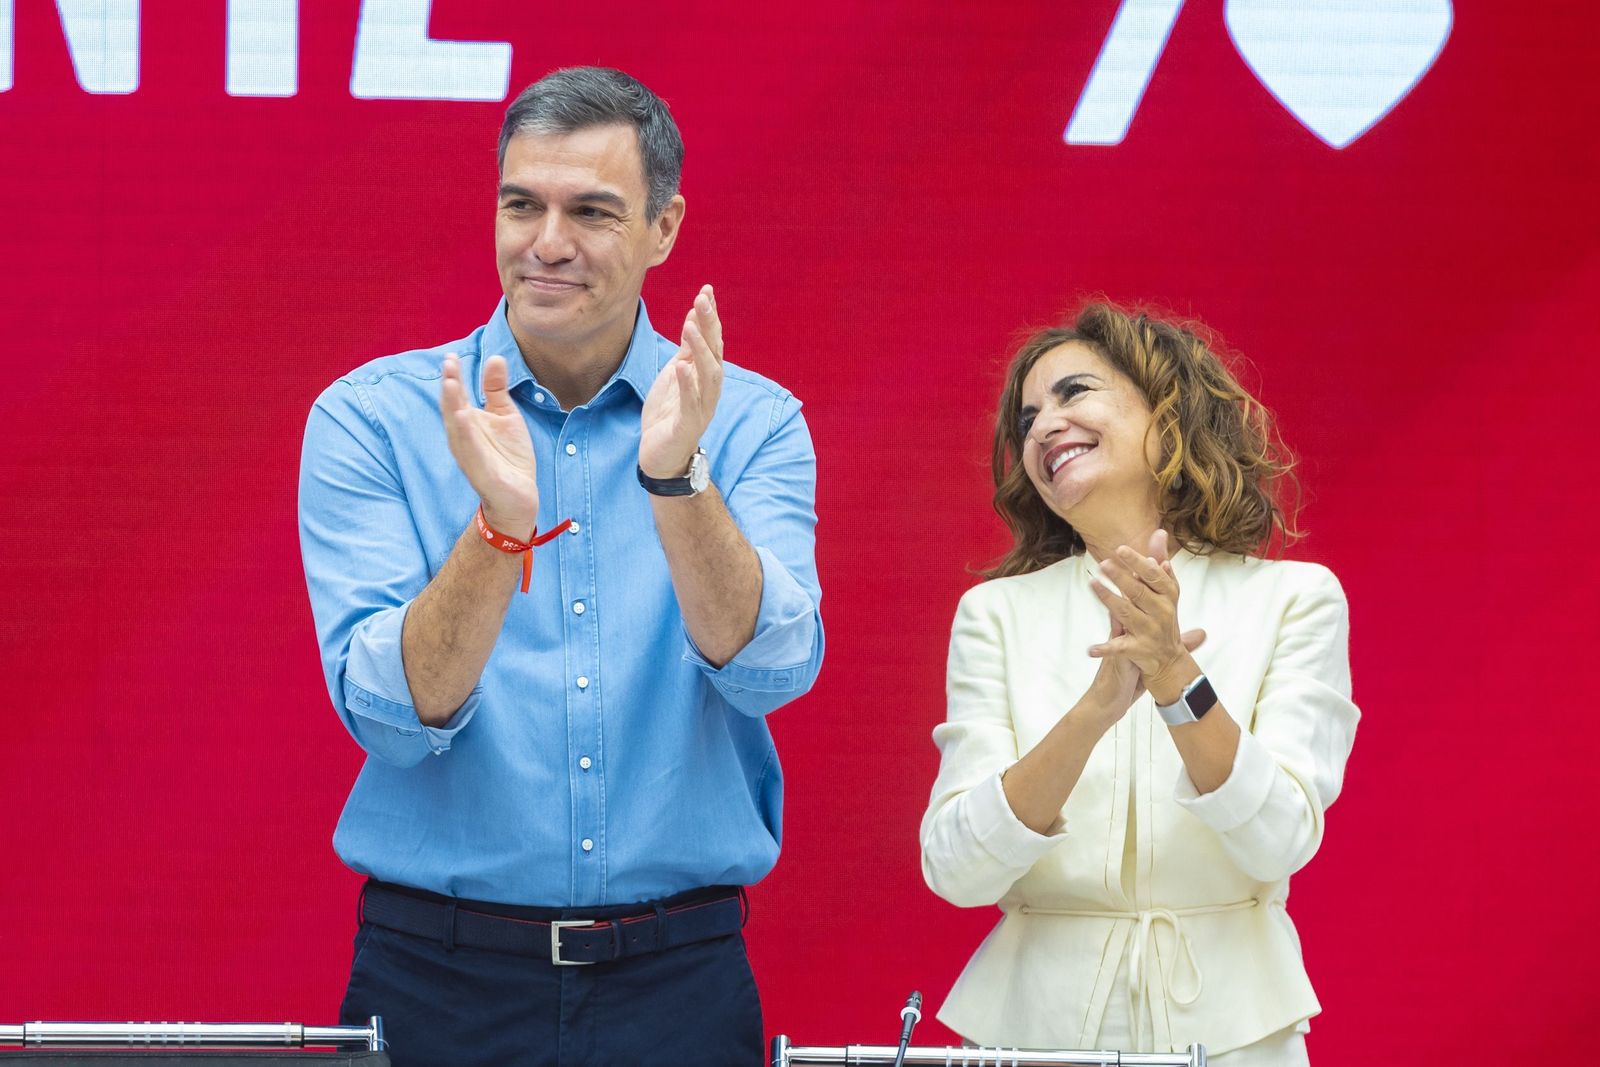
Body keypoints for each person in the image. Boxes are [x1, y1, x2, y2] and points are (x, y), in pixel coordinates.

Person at [298, 66, 823, 1067]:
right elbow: (392, 716)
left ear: (664, 228)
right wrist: (500, 528)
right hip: (439, 977)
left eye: (590, 211)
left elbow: (770, 671)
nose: (546, 242)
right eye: (520, 205)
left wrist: (676, 478)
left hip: (678, 980)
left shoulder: (751, 421)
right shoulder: (371, 417)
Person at [919, 304, 1358, 1065]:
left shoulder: (1295, 598)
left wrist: (1174, 675)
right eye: (1027, 419)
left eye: (1073, 393)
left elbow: (1281, 838)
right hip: (1032, 1033)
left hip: (1237, 1035)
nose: (1043, 427)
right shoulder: (994, 614)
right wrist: (1096, 708)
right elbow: (958, 869)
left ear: (1168, 412)